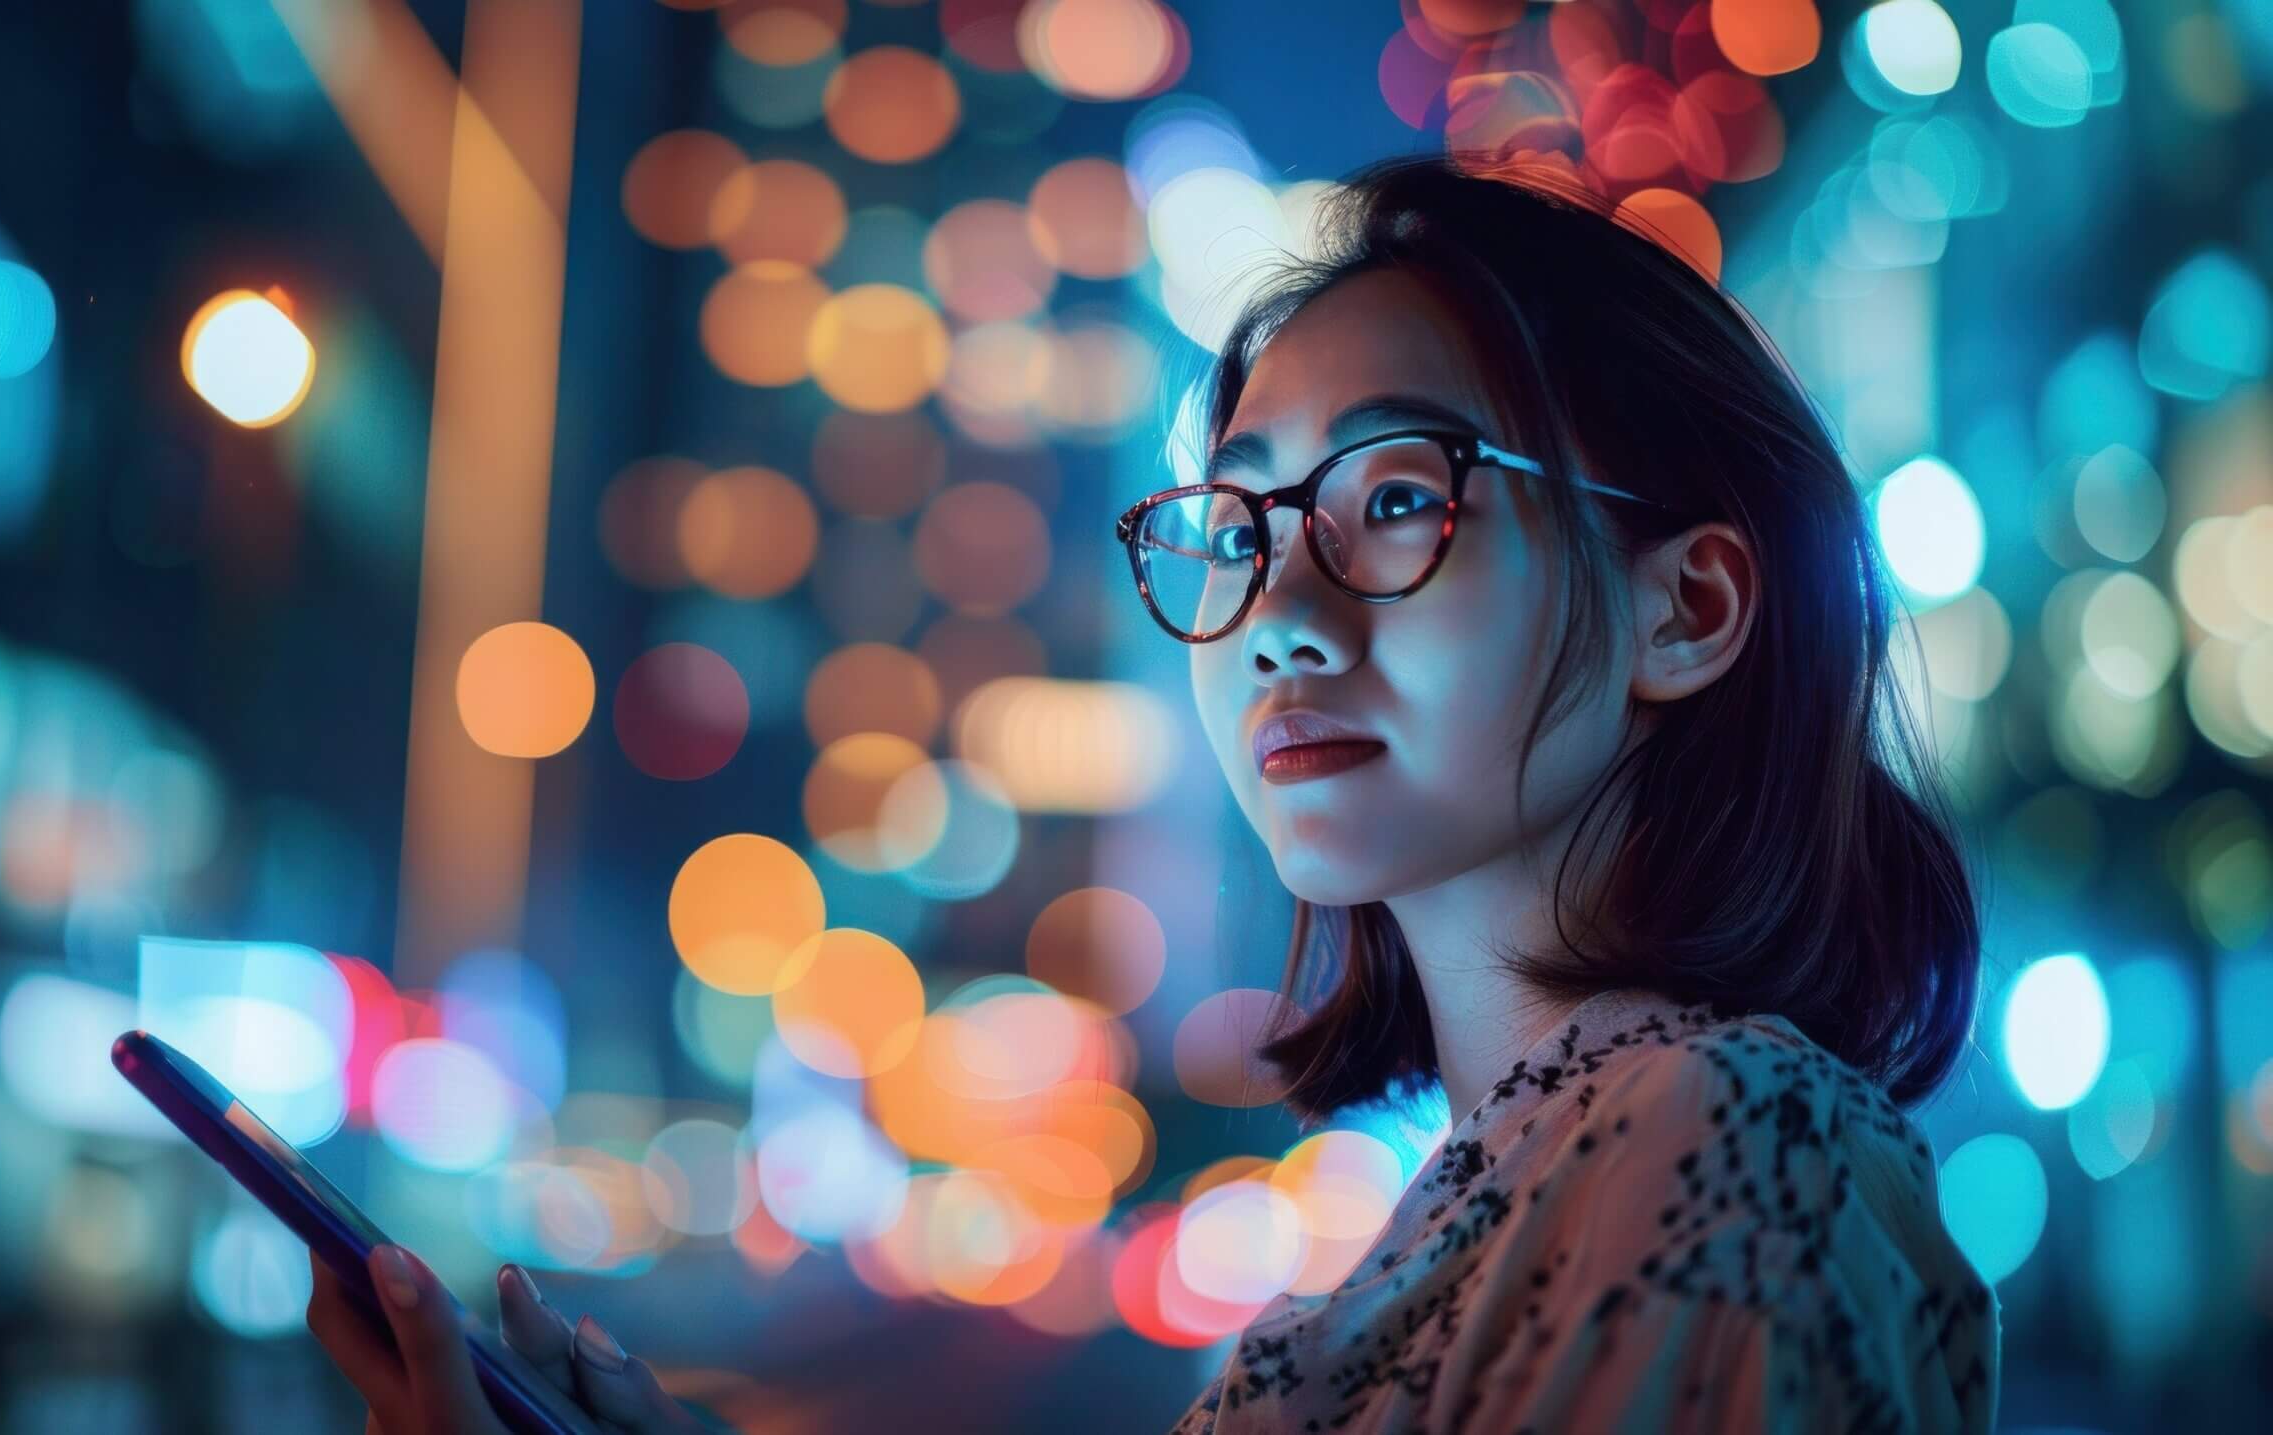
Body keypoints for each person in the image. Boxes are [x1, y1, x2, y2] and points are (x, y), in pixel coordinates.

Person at [304, 148, 2002, 1434]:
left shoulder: (1720, 1132)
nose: (1277, 617)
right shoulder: (1524, 1171)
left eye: (1399, 497)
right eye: (1241, 526)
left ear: (1685, 608)